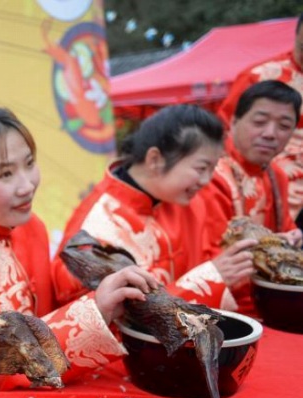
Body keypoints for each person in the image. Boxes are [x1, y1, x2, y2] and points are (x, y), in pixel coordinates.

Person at [0, 105, 158, 394]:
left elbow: (43, 307)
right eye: (5, 174)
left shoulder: (29, 226)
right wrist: (93, 312)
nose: (27, 185)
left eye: (29, 163)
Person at [51, 104, 256, 313]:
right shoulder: (96, 226)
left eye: (212, 169)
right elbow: (101, 317)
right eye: (201, 168)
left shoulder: (186, 202)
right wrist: (210, 279)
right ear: (155, 160)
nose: (206, 180)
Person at [201, 81, 303, 313]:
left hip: (267, 299)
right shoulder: (209, 174)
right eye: (259, 122)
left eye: (284, 126)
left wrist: (292, 238)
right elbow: (208, 256)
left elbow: (284, 231)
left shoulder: (276, 175)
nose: (270, 134)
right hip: (223, 305)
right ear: (234, 121)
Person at [217, 14, 303, 227]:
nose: (270, 132)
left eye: (284, 125)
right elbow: (224, 129)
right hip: (261, 179)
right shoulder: (261, 75)